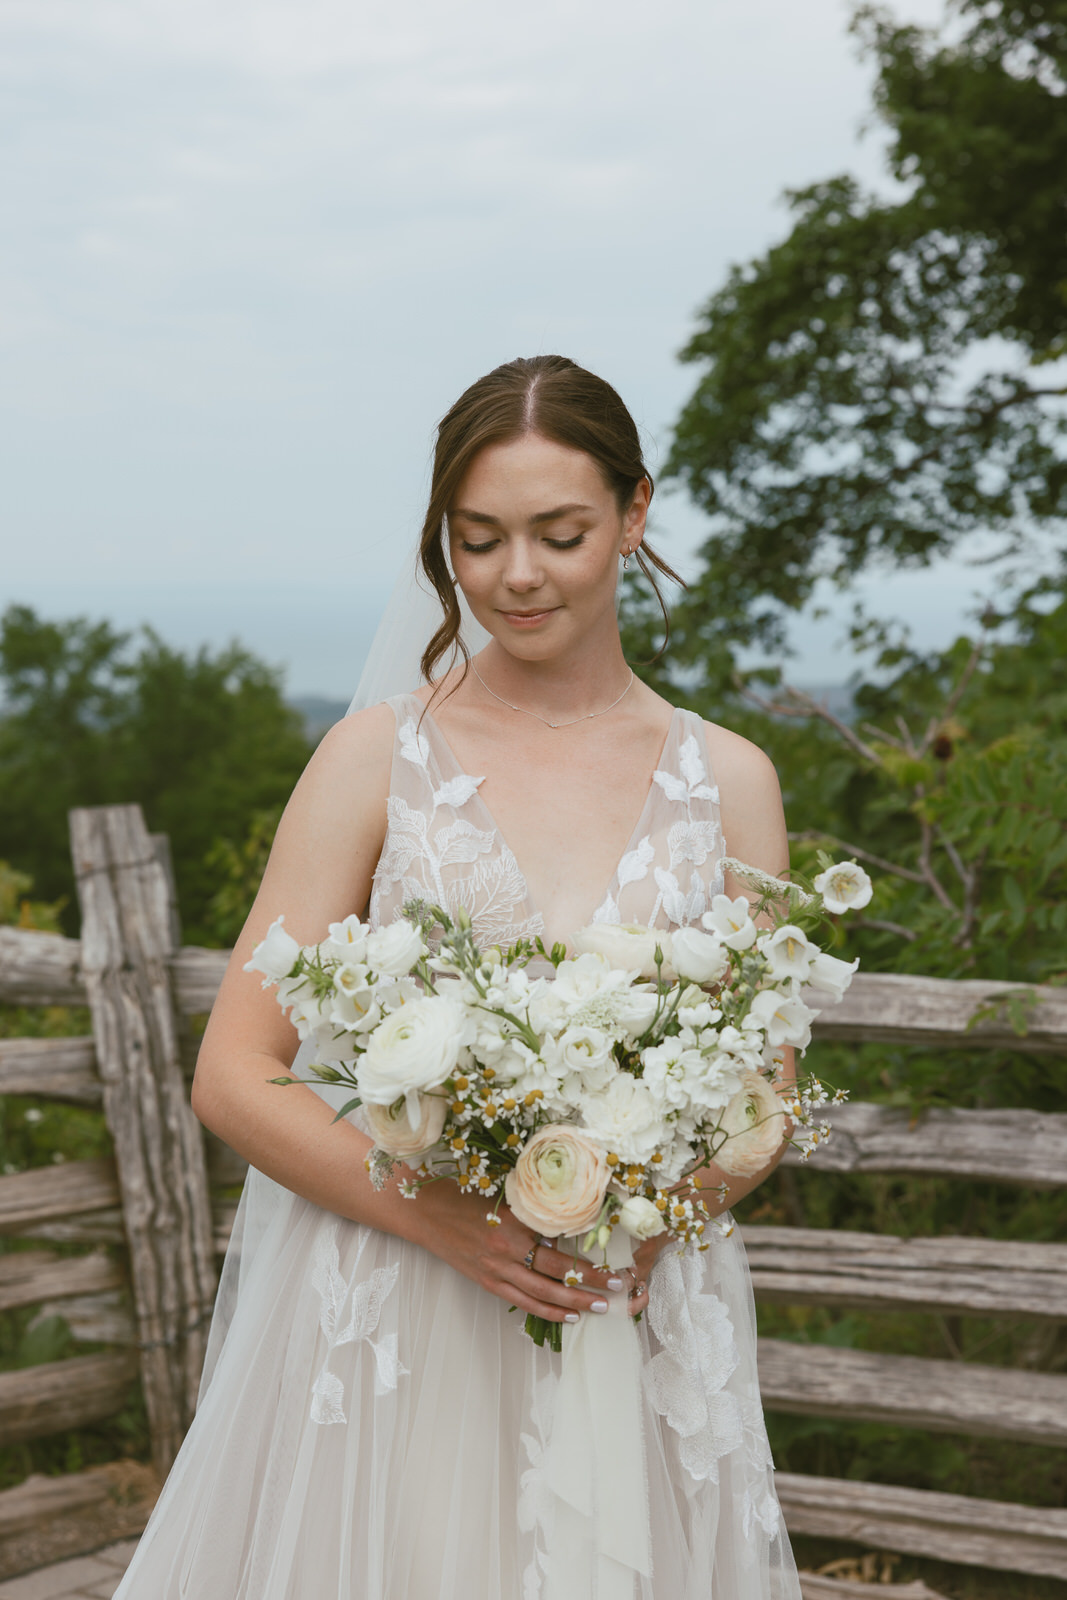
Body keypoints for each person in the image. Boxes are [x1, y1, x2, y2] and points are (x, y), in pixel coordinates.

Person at [113, 355, 804, 1598]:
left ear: (634, 512)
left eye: (559, 533)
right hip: (403, 1308)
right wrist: (444, 1217)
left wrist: (650, 1210)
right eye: (476, 539)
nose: (516, 575)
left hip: (627, 1312)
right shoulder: (372, 759)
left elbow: (765, 1096)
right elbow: (232, 1072)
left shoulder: (733, 782)